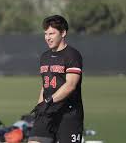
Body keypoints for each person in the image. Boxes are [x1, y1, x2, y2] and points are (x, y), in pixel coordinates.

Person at [28, 15, 84, 143]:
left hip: (68, 114)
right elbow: (45, 86)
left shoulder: (72, 55)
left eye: (52, 33)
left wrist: (49, 101)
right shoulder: (44, 56)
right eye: (46, 34)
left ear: (63, 32)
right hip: (47, 112)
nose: (48, 37)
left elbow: (70, 85)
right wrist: (39, 106)